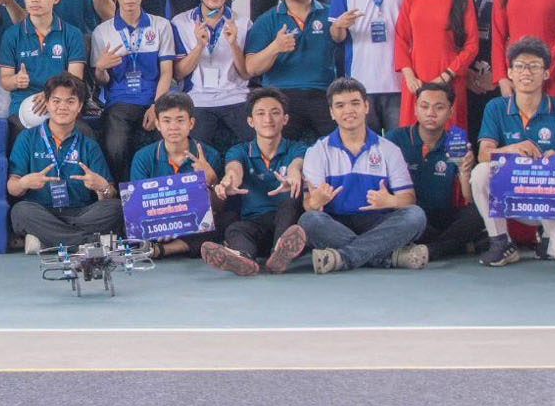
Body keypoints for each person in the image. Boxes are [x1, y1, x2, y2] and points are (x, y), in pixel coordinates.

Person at [471, 38, 555, 269]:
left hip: (550, 196)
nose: (526, 72)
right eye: (519, 66)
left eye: (534, 66)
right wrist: (510, 150)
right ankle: (500, 242)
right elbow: (483, 154)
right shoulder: (496, 107)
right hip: (515, 194)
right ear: (510, 73)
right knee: (481, 173)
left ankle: (547, 235)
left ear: (546, 73)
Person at [297, 78, 428, 272]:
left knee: (415, 216)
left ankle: (342, 257)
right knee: (309, 221)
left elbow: (409, 199)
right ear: (332, 112)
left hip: (379, 223)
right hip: (335, 223)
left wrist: (390, 201)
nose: (349, 110)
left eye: (355, 103)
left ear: (366, 106)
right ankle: (388, 257)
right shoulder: (317, 151)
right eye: (340, 106)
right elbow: (309, 205)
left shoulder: (389, 149)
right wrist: (315, 202)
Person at [201, 88, 310, 275]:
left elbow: (297, 163)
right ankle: (244, 259)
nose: (268, 119)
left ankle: (279, 252)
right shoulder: (239, 151)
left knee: (290, 203)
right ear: (250, 121)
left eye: (275, 113)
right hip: (255, 223)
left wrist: (294, 175)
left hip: (289, 227)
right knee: (235, 229)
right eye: (261, 113)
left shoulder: (297, 147)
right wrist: (229, 181)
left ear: (285, 119)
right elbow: (234, 170)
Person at [8, 74, 122, 251]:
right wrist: (24, 183)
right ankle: (91, 241)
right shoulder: (27, 138)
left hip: (81, 213)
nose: (62, 107)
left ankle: (47, 240)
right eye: (56, 101)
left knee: (116, 208)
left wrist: (103, 187)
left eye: (70, 101)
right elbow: (12, 187)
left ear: (79, 107)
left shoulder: (88, 144)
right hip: (42, 211)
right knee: (20, 211)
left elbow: (110, 194)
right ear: (47, 104)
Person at [328, 0, 416, 132]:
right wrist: (339, 26)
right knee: (366, 147)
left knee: (400, 146)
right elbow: (336, 37)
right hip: (361, 85)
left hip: (401, 83)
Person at [89, 0, 175, 177]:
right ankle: (122, 192)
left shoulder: (161, 25)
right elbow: (101, 81)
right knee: (115, 147)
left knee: (167, 146)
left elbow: (167, 72)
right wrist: (100, 68)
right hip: (120, 102)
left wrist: (157, 106)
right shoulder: (102, 32)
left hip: (154, 98)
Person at [242, 0, 335, 142]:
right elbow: (250, 68)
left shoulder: (331, 15)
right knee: (276, 145)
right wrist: (275, 47)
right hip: (281, 95)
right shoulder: (266, 20)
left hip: (323, 93)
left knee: (340, 143)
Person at [389, 82, 484, 260]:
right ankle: (455, 245)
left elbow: (469, 198)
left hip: (440, 214)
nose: (431, 113)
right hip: (408, 213)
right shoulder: (395, 138)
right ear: (415, 109)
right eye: (424, 107)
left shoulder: (456, 141)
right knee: (398, 218)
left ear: (450, 111)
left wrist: (465, 171)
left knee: (479, 212)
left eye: (439, 107)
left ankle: (431, 250)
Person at [393, 0, 477, 129]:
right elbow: (401, 38)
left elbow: (472, 45)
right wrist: (409, 76)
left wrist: (447, 75)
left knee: (451, 139)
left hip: (450, 81)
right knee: (413, 137)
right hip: (416, 82)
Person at [125, 92, 222, 258]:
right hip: (157, 224)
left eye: (180, 120)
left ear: (191, 123)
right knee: (128, 222)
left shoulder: (209, 155)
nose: (173, 127)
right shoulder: (143, 157)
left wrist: (212, 180)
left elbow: (218, 209)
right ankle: (174, 246)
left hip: (194, 223)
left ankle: (162, 250)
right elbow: (138, 205)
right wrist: (165, 223)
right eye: (166, 120)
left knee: (227, 221)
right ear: (157, 124)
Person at [169, 0, 249, 149]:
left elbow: (246, 73)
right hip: (197, 99)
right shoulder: (180, 23)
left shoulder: (243, 23)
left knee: (252, 145)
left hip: (236, 96)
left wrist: (233, 44)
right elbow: (178, 74)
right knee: (196, 151)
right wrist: (199, 46)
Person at [0, 0, 87, 129]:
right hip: (23, 109)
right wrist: (16, 80)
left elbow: (75, 78)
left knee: (86, 136)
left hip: (62, 105)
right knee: (17, 140)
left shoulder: (72, 34)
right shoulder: (11, 35)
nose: (34, 0)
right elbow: (5, 80)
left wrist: (49, 94)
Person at [464, 0, 513, 139]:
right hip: (465, 66)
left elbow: (515, 31)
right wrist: (464, 73)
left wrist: (497, 73)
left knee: (496, 135)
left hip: (500, 68)